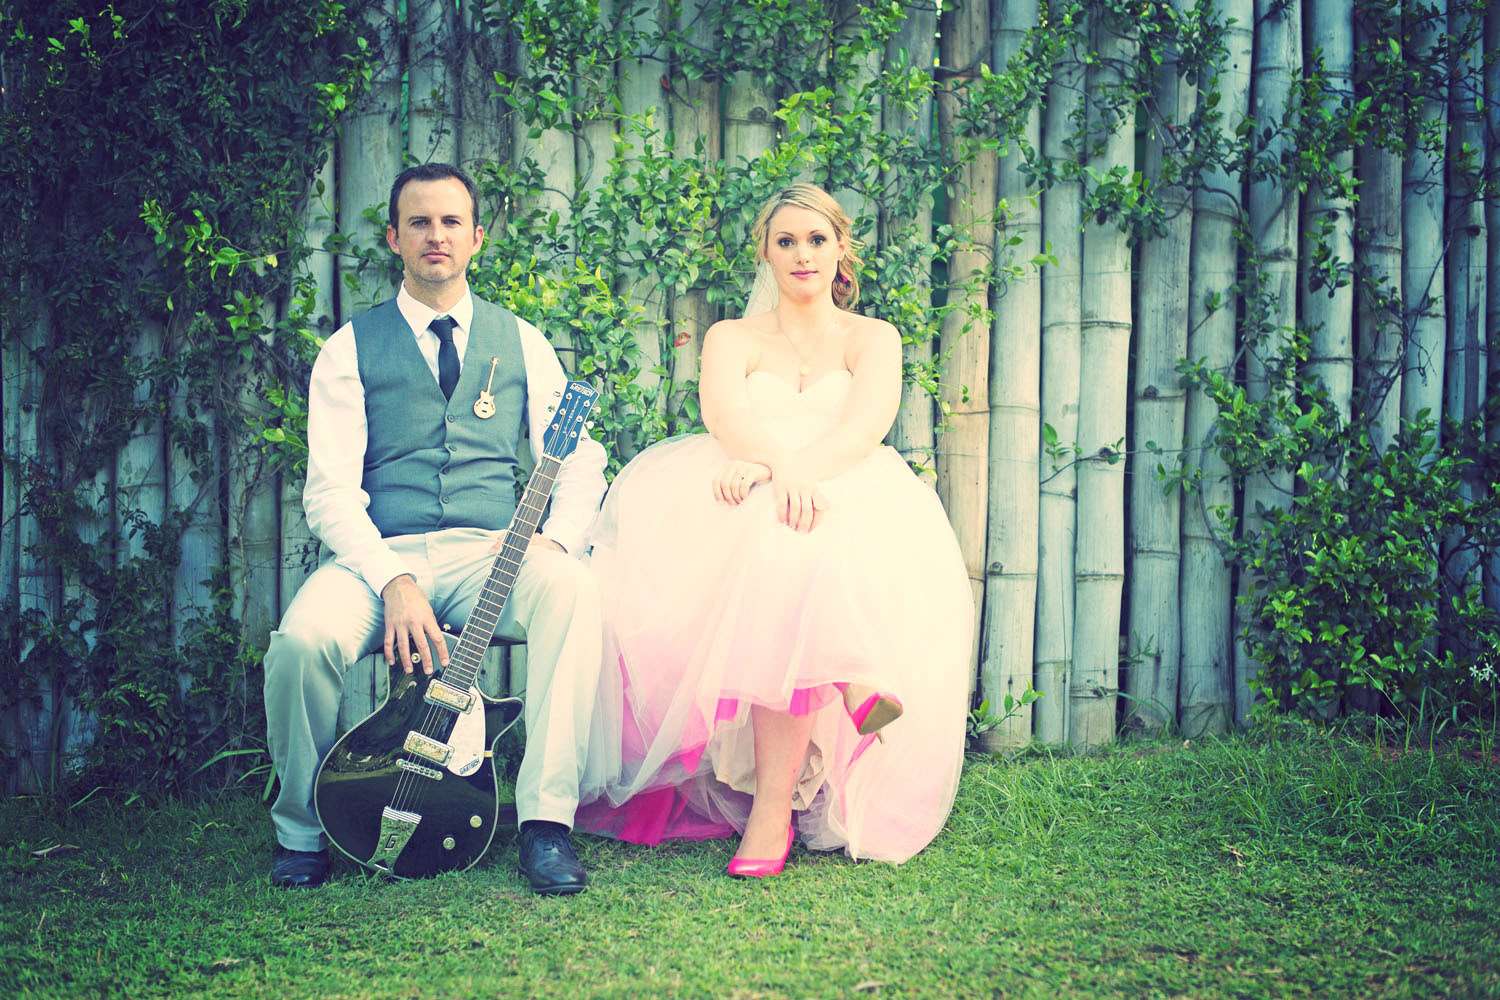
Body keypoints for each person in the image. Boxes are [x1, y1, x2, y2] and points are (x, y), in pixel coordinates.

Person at [576, 183, 973, 872]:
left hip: (847, 487)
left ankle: (772, 813)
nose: (802, 254)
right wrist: (772, 471)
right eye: (785, 241)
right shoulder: (732, 337)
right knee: (778, 534)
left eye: (816, 239)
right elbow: (726, 417)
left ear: (841, 247)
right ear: (765, 251)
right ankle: (851, 679)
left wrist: (785, 474)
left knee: (792, 536)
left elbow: (864, 427)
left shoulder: (873, 337)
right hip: (749, 486)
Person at [263, 163, 608, 895]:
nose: (436, 236)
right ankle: (302, 831)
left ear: (477, 237)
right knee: (299, 644)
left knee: (573, 592)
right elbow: (329, 493)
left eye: (451, 222)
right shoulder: (350, 347)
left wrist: (554, 540)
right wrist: (392, 579)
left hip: (490, 555)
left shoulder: (522, 342)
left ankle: (546, 823)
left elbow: (578, 461)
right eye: (418, 222)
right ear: (394, 238)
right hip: (379, 557)